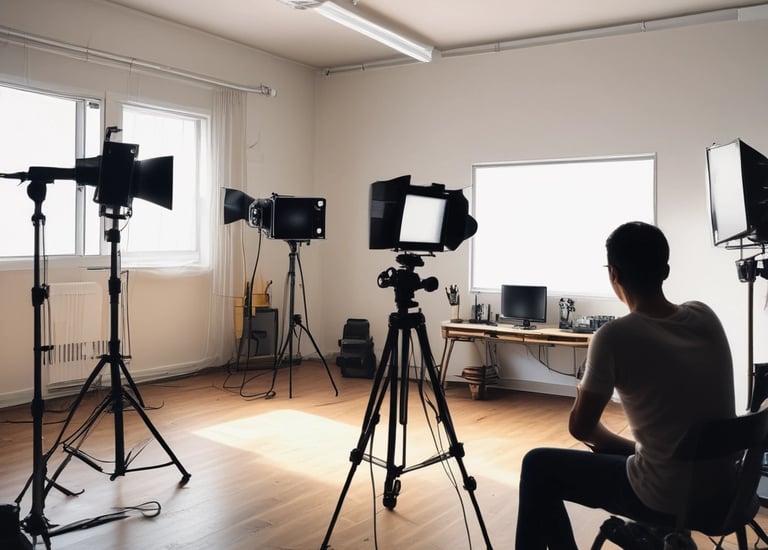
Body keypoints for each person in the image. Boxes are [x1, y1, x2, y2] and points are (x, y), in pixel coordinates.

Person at [515, 221, 736, 549]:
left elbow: (581, 428)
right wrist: (636, 450)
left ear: (613, 274)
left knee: (537, 464)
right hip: (726, 491)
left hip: (665, 496)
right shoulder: (704, 315)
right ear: (666, 270)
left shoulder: (615, 336)